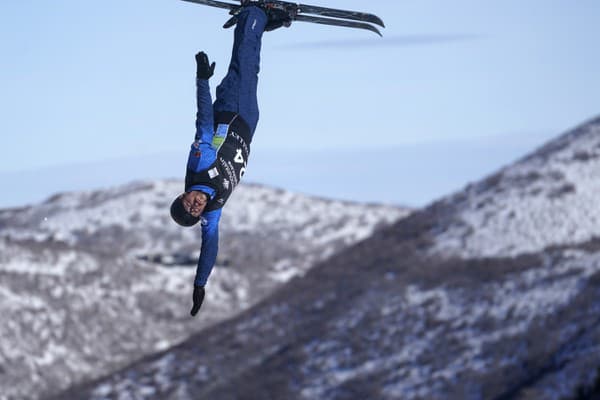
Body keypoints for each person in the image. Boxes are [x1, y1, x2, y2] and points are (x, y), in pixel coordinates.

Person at [170, 3, 291, 317]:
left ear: (184, 195)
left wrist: (201, 81)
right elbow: (209, 248)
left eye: (189, 203)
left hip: (230, 111)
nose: (196, 206)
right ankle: (258, 22)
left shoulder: (200, 165)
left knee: (243, 66)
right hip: (247, 124)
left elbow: (203, 123)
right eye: (194, 212)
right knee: (248, 67)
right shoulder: (212, 209)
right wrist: (199, 285)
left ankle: (256, 13)